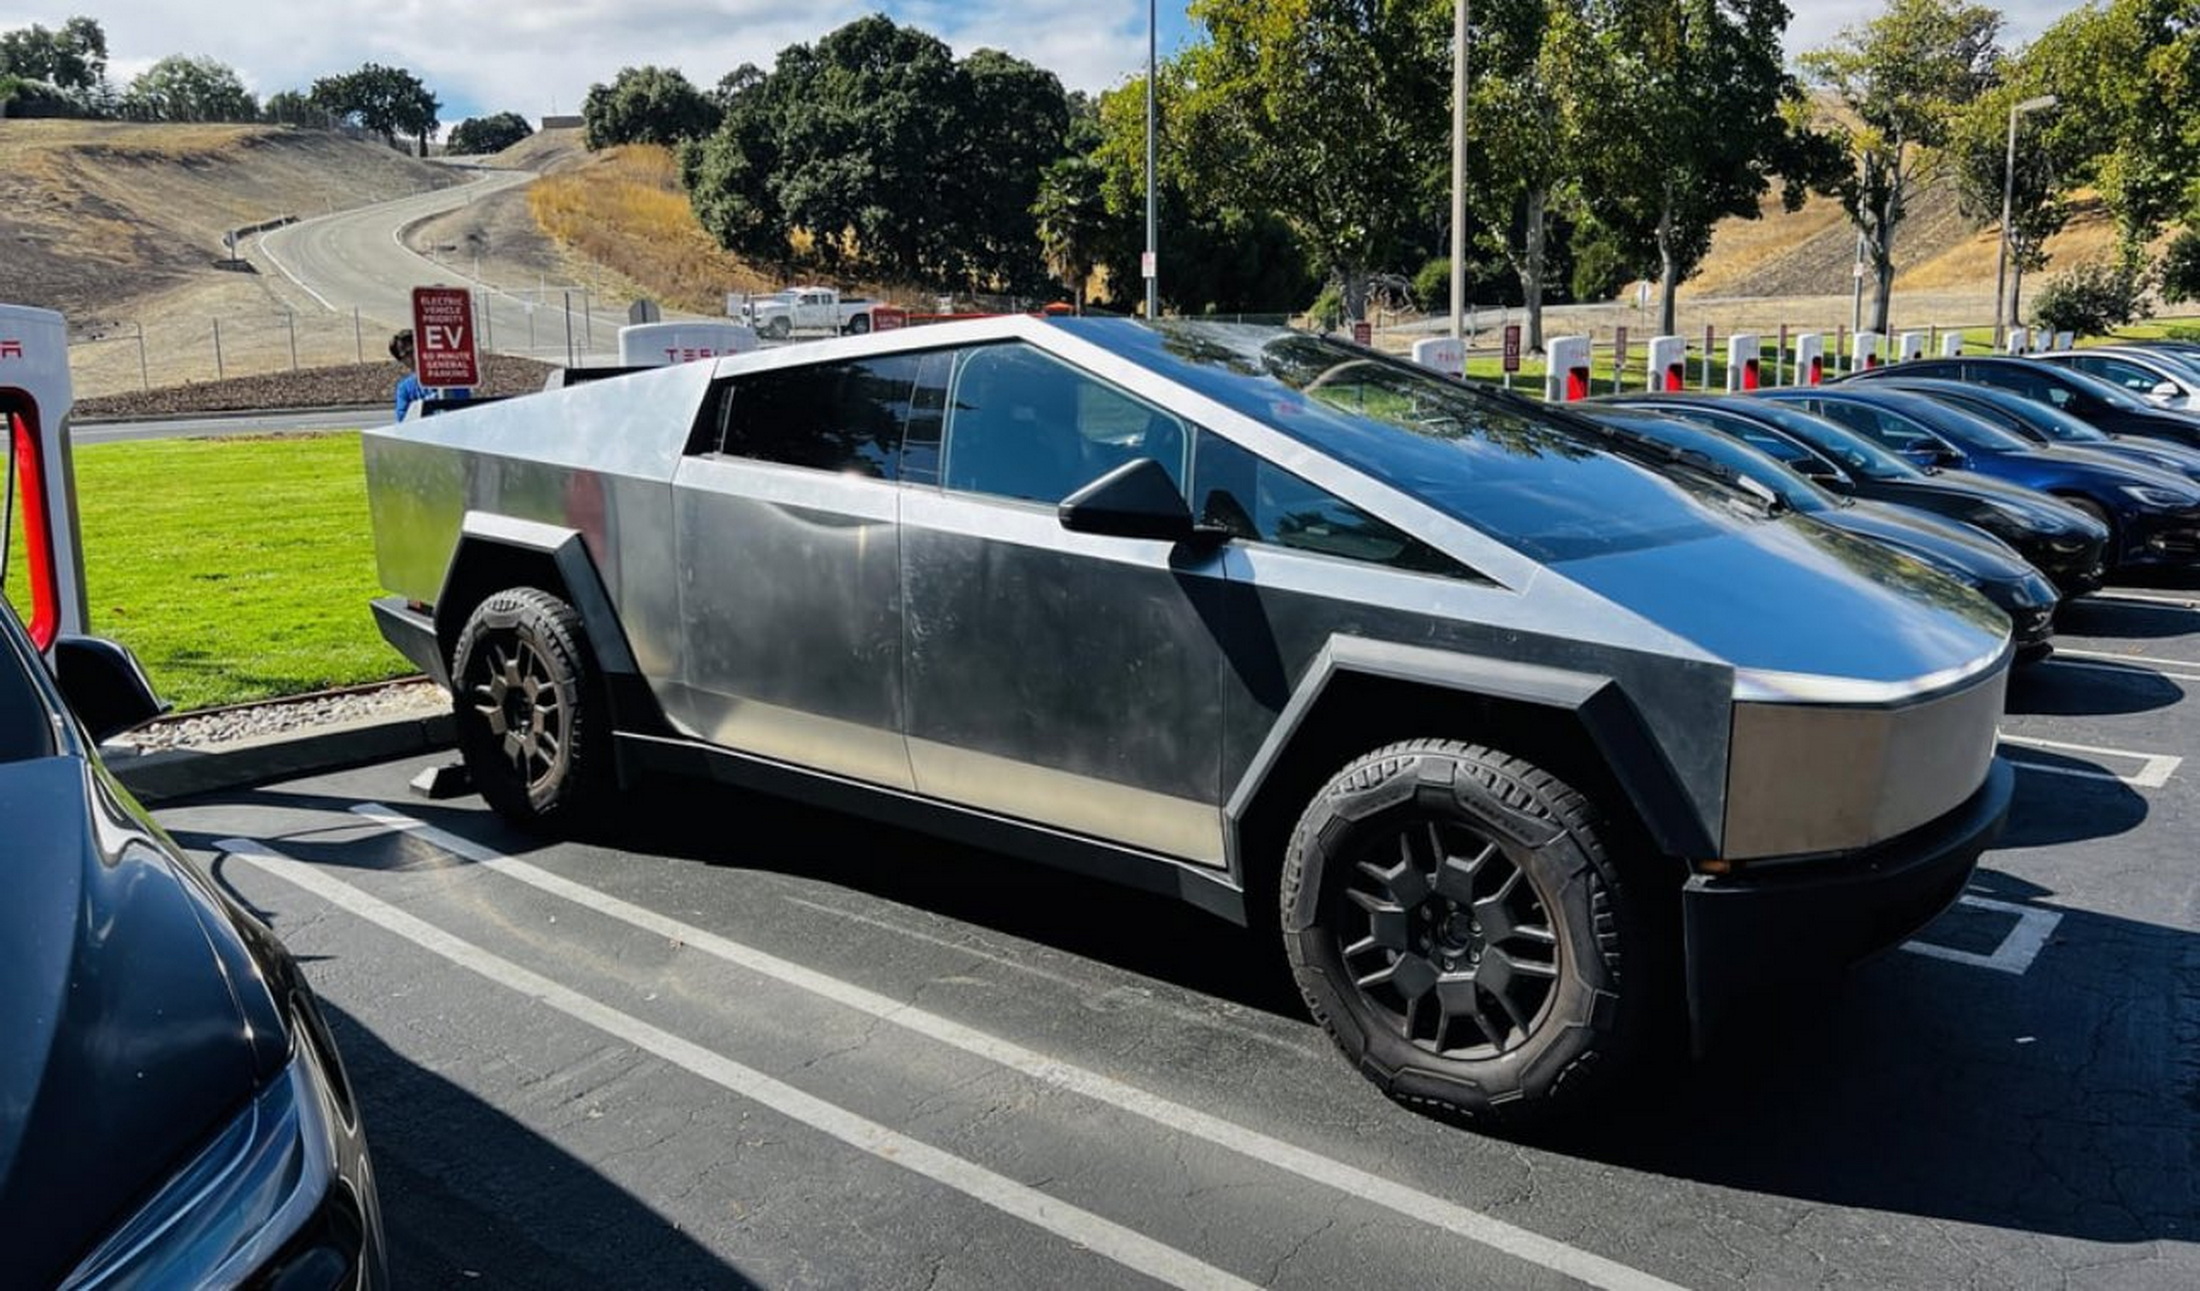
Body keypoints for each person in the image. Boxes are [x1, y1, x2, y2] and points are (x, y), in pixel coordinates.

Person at [390, 329, 473, 421]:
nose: (412, 357)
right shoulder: (405, 388)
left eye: (414, 350)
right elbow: (403, 419)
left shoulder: (452, 377)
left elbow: (464, 406)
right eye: (406, 355)